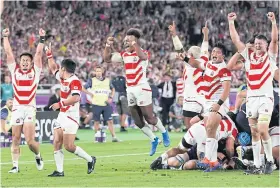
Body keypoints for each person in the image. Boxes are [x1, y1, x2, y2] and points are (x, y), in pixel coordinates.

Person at [104, 28, 170, 156]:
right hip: (130, 89)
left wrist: (134, 44)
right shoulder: (124, 55)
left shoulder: (143, 52)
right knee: (138, 121)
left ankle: (164, 132)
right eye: (126, 39)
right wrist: (107, 45)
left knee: (149, 118)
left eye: (129, 39)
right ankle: (154, 139)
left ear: (135, 41)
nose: (126, 41)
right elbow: (107, 59)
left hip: (142, 87)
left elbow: (142, 56)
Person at [228, 12, 278, 174]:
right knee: (255, 132)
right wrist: (231, 22)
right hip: (251, 100)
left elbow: (275, 40)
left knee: (263, 129)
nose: (258, 46)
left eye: (261, 44)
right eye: (256, 43)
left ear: (266, 45)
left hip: (265, 99)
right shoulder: (248, 57)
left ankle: (270, 161)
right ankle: (257, 165)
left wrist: (273, 22)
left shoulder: (270, 58)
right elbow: (236, 40)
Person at [45, 43, 96, 177]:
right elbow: (52, 67)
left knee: (69, 146)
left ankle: (91, 159)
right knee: (56, 141)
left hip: (71, 117)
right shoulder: (63, 77)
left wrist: (59, 104)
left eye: (60, 69)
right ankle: (60, 171)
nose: (58, 71)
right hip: (62, 115)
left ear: (63, 68)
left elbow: (75, 98)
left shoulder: (75, 81)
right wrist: (49, 54)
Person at [2, 28, 44, 173]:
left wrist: (42, 38)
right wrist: (5, 36)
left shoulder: (35, 72)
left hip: (30, 108)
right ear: (20, 62)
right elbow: (8, 52)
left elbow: (38, 53)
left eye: (27, 60)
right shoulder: (14, 70)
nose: (25, 62)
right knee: (15, 138)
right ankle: (15, 166)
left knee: (30, 141)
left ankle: (38, 155)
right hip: (17, 108)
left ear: (31, 63)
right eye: (23, 60)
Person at [187, 40, 232, 172]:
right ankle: (213, 162)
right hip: (207, 103)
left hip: (219, 102)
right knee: (210, 130)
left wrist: (218, 105)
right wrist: (184, 57)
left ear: (223, 56)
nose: (214, 54)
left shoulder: (224, 70)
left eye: (218, 52)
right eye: (213, 51)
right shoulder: (208, 64)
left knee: (211, 127)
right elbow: (194, 63)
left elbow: (226, 90)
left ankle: (208, 159)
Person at [150, 115, 238, 170]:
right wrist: (230, 158)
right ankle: (173, 167)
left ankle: (162, 158)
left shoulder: (215, 113)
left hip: (194, 129)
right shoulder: (233, 127)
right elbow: (229, 147)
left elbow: (192, 121)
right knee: (203, 163)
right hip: (206, 135)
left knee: (180, 149)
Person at [168, 21, 208, 131]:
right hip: (201, 98)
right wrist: (206, 35)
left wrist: (174, 35)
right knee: (199, 128)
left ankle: (193, 146)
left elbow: (180, 50)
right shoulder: (204, 59)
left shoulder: (191, 63)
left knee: (190, 128)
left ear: (190, 55)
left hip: (191, 99)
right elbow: (205, 46)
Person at [82, 66, 119, 142]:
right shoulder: (91, 81)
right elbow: (83, 88)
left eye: (99, 71)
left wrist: (111, 97)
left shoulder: (107, 81)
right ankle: (97, 137)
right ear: (95, 72)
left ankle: (114, 137)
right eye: (97, 71)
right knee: (96, 122)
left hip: (106, 104)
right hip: (96, 104)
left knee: (110, 121)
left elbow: (113, 89)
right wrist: (90, 93)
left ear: (102, 72)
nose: (98, 72)